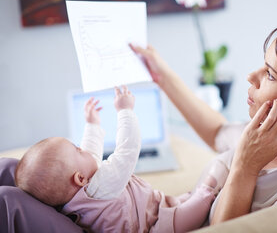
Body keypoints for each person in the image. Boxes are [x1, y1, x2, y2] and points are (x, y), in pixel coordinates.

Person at [130, 20, 277, 224]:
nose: (251, 76)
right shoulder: (264, 138)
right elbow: (217, 132)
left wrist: (245, 167)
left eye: (269, 74)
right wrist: (162, 76)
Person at [15, 85, 227, 232]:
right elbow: (127, 149)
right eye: (78, 150)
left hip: (153, 206)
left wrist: (92, 125)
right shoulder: (102, 186)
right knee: (184, 216)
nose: (83, 148)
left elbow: (92, 153)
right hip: (151, 226)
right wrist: (125, 111)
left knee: (175, 201)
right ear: (79, 178)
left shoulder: (80, 194)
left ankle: (187, 199)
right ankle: (205, 197)